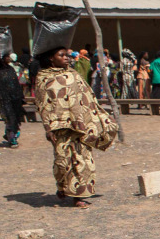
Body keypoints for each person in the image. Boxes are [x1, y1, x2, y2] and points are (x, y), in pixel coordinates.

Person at [34, 45, 118, 207]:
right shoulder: (43, 78)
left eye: (67, 55)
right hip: (60, 126)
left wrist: (92, 118)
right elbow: (42, 103)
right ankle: (63, 187)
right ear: (51, 58)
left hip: (80, 124)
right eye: (61, 55)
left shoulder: (74, 74)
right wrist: (48, 128)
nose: (67, 58)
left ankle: (78, 196)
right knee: (62, 160)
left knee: (82, 160)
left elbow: (87, 96)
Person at [0, 53, 25, 147]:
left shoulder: (10, 69)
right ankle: (12, 139)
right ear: (1, 58)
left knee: (15, 118)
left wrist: (20, 97)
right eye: (6, 57)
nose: (9, 58)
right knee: (9, 118)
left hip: (14, 98)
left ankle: (9, 134)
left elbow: (15, 83)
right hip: (2, 99)